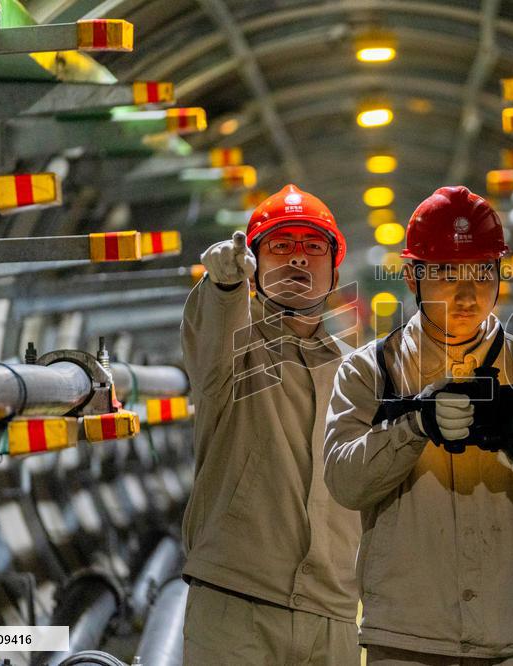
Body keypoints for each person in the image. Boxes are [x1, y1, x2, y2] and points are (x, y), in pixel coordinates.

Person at [323, 185, 513, 665]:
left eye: (481, 273)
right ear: (413, 275)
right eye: (448, 273)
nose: (467, 294)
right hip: (409, 640)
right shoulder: (371, 371)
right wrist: (413, 427)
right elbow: (345, 483)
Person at [180, 184, 361, 665]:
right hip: (237, 606)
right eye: (280, 246)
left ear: (335, 270)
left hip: (333, 615)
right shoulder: (233, 350)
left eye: (313, 247)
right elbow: (211, 329)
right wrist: (221, 286)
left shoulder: (357, 371)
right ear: (254, 266)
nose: (298, 259)